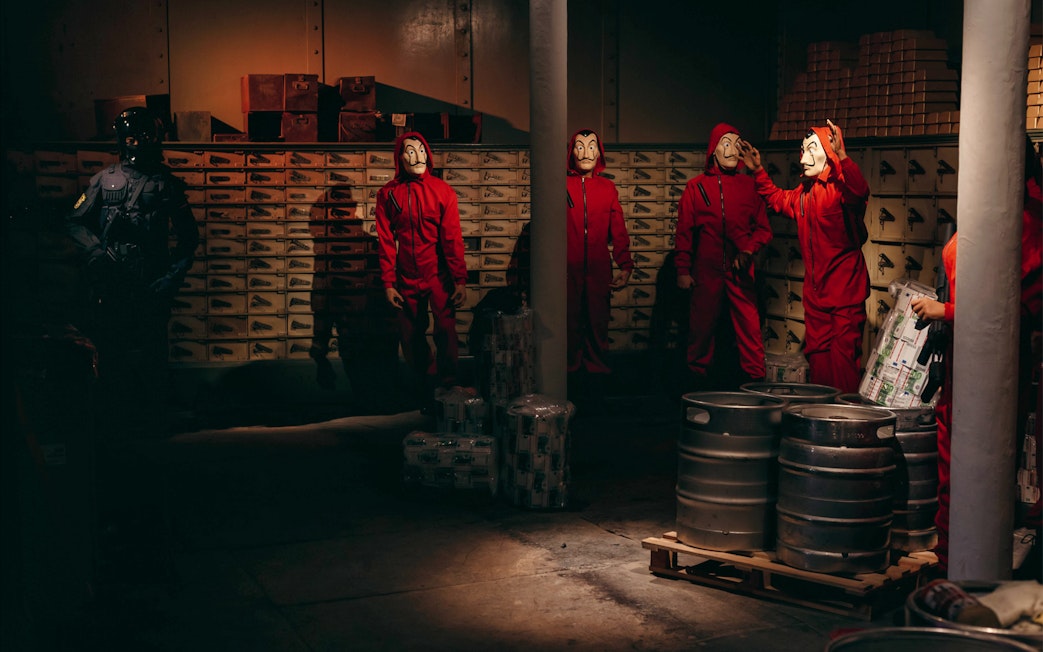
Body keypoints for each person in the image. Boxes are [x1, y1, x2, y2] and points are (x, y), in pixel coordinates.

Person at [910, 135, 1043, 576]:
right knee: (953, 463)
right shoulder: (992, 214)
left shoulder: (1027, 225)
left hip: (992, 371)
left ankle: (971, 568)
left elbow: (1009, 312)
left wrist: (945, 310)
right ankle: (951, 558)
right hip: (960, 362)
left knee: (981, 467)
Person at [66, 106, 200, 436]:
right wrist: (96, 251)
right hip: (112, 280)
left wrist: (171, 277)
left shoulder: (167, 185)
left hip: (151, 280)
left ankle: (151, 416)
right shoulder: (102, 180)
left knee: (153, 353)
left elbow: (189, 238)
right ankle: (117, 417)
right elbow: (73, 221)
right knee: (113, 352)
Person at [737, 120, 870, 393]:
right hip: (816, 295)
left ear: (829, 153)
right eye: (802, 150)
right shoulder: (803, 195)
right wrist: (759, 170)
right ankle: (820, 416)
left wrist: (843, 157)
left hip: (844, 294)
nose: (803, 157)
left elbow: (859, 192)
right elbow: (776, 199)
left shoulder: (840, 190)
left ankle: (844, 420)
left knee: (844, 364)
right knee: (818, 361)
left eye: (812, 149)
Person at [674, 122, 772, 390]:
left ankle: (755, 383)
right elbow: (684, 232)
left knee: (750, 328)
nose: (731, 150)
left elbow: (764, 229)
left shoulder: (749, 187)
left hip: (741, 270)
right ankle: (696, 383)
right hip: (706, 270)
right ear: (713, 151)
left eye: (736, 144)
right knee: (701, 328)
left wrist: (749, 249)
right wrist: (683, 270)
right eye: (725, 144)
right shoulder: (696, 188)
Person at [375, 131, 468, 407]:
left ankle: (449, 385)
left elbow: (452, 238)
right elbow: (385, 241)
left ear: (428, 155)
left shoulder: (442, 191)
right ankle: (426, 385)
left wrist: (459, 279)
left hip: (438, 275)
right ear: (399, 157)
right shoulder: (388, 194)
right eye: (409, 151)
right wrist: (389, 283)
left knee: (445, 332)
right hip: (406, 276)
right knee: (410, 334)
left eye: (421, 150)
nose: (416, 156)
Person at [566, 129, 634, 403]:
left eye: (591, 146)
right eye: (579, 147)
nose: (585, 152)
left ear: (599, 153)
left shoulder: (607, 188)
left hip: (597, 267)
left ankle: (597, 389)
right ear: (571, 152)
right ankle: (568, 383)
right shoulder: (561, 185)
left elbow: (618, 229)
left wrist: (625, 264)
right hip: (565, 269)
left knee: (597, 324)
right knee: (568, 326)